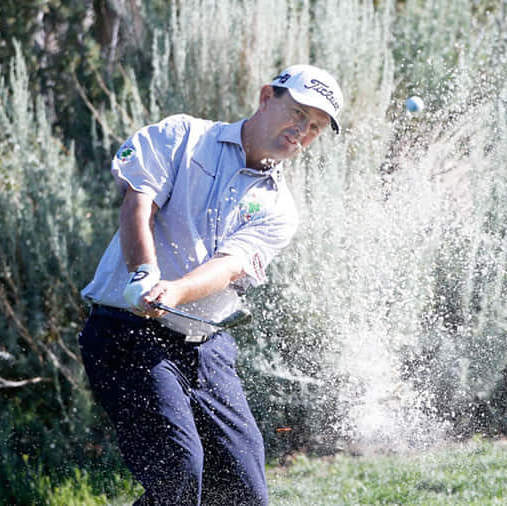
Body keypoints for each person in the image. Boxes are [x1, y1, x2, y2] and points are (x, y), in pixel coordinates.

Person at [78, 64, 343, 505]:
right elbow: (137, 203)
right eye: (297, 113)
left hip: (206, 348)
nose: (301, 131)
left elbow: (229, 266)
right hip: (125, 333)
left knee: (245, 491)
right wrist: (145, 272)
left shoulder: (280, 210)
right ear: (265, 97)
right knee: (179, 471)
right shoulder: (182, 136)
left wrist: (175, 292)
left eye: (314, 128)